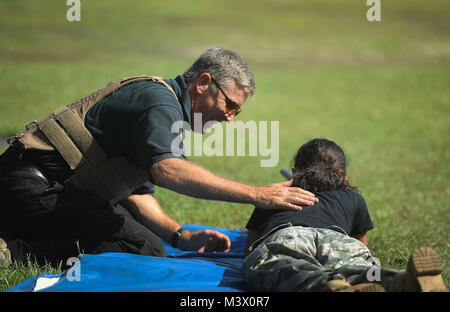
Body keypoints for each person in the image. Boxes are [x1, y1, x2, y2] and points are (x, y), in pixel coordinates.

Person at [0, 48, 318, 266]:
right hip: (32, 188)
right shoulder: (159, 103)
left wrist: (180, 235)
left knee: (150, 244)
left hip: (49, 190)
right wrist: (256, 195)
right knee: (141, 247)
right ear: (204, 82)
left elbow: (135, 193)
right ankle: (15, 250)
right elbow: (168, 170)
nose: (230, 118)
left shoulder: (168, 108)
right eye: (230, 106)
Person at [243, 138, 447, 292]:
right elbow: (362, 246)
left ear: (295, 172)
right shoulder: (353, 199)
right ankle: (401, 280)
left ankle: (326, 284)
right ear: (344, 177)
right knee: (362, 268)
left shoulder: (273, 196)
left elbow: (251, 247)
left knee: (281, 265)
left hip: (289, 236)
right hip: (338, 238)